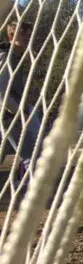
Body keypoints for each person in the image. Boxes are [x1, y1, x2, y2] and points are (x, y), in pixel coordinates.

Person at [0, 18, 41, 184]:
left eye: (28, 34)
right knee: (30, 155)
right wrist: (19, 112)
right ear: (11, 36)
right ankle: (36, 196)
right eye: (23, 33)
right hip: (9, 116)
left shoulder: (18, 57)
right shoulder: (6, 57)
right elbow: (1, 92)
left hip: (10, 114)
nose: (27, 37)